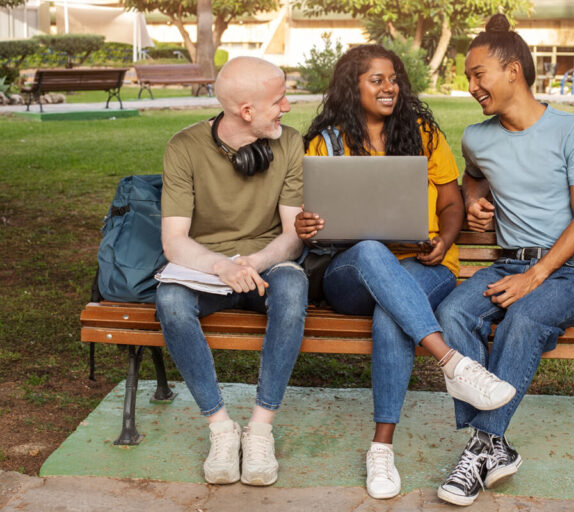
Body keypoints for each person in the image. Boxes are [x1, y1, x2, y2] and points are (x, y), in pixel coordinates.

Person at [294, 44, 516, 500]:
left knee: (390, 315)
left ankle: (381, 449)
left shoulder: (421, 134)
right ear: (351, 86)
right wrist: (307, 225)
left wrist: (445, 239)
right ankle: (452, 362)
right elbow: (314, 224)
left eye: (394, 79)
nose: (389, 87)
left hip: (425, 265)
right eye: (377, 79)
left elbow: (452, 202)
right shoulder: (328, 142)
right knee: (374, 249)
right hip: (351, 272)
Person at [434, 15, 574, 506]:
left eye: (477, 74)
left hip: (569, 271)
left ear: (513, 71)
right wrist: (472, 199)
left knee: (523, 320)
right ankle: (495, 446)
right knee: (451, 313)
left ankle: (481, 447)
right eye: (467, 77)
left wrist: (538, 275)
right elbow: (472, 176)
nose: (470, 87)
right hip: (508, 264)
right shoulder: (477, 137)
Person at [155, 56, 308, 486]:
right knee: (169, 300)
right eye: (279, 100)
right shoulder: (183, 147)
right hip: (206, 268)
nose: (287, 107)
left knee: (294, 287)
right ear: (246, 111)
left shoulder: (290, 142)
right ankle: (221, 429)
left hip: (267, 265)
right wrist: (222, 267)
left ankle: (260, 429)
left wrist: (255, 263)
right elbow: (175, 241)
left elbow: (294, 233)